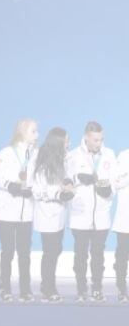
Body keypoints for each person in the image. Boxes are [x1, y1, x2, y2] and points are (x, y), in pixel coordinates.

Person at [66, 121, 114, 301]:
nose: (98, 143)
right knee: (80, 255)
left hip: (101, 214)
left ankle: (97, 288)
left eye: (101, 139)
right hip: (80, 214)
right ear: (86, 136)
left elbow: (114, 182)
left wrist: (108, 191)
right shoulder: (73, 156)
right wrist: (78, 181)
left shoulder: (109, 155)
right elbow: (67, 182)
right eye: (95, 140)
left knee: (98, 255)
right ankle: (81, 289)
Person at [0, 119, 38, 301]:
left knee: (25, 253)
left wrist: (32, 188)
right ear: (23, 132)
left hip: (26, 211)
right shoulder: (7, 152)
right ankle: (5, 286)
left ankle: (25, 288)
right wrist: (11, 185)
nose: (37, 135)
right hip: (7, 211)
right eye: (33, 131)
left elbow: (39, 179)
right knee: (8, 251)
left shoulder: (37, 154)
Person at [31, 126, 72, 302]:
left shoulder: (63, 159)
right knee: (50, 252)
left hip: (59, 214)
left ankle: (47, 284)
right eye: (66, 140)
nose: (69, 143)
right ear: (58, 142)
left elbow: (65, 178)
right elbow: (38, 190)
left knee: (56, 250)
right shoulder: (42, 162)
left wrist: (68, 183)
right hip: (47, 214)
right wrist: (59, 194)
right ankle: (48, 287)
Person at [114, 143, 129, 302]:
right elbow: (116, 182)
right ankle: (121, 288)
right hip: (126, 217)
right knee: (123, 254)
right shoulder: (124, 155)